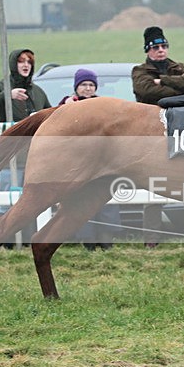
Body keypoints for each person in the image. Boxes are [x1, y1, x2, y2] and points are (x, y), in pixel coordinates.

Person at [132, 26, 184, 247]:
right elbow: (147, 92)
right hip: (152, 135)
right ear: (148, 50)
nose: (161, 51)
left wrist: (162, 81)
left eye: (164, 46)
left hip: (180, 132)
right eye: (156, 47)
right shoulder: (139, 71)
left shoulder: (177, 66)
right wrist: (175, 89)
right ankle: (151, 241)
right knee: (153, 188)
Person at [0, 48, 51, 246]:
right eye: (21, 61)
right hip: (8, 158)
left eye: (29, 61)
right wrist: (7, 95)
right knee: (6, 200)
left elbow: (51, 115)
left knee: (30, 201)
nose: (26, 65)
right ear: (14, 65)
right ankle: (6, 241)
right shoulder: (2, 87)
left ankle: (29, 239)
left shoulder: (38, 92)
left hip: (34, 158)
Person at [57, 68, 118, 250]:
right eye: (84, 84)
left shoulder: (103, 106)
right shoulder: (66, 105)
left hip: (102, 162)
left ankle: (107, 240)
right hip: (78, 163)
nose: (88, 88)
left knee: (105, 201)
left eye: (91, 85)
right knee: (81, 201)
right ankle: (88, 242)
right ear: (76, 86)